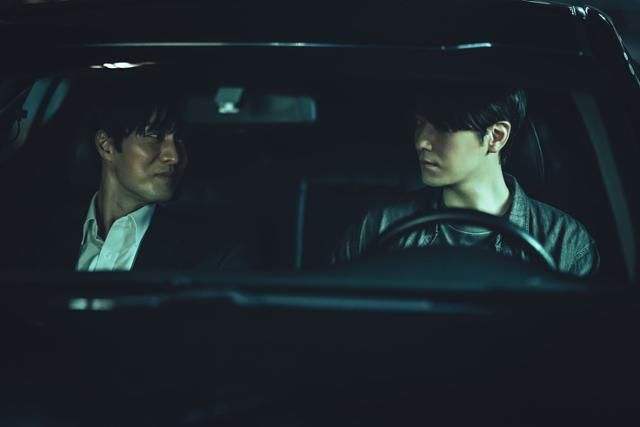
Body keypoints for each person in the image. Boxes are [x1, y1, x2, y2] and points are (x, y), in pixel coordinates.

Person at [332, 87, 599, 277]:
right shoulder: (379, 227)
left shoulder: (564, 243)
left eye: (442, 128)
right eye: (420, 123)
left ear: (496, 136)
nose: (421, 141)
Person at [25, 82, 252, 272]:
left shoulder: (215, 255)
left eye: (180, 139)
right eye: (154, 136)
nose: (174, 156)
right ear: (106, 146)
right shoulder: (38, 233)